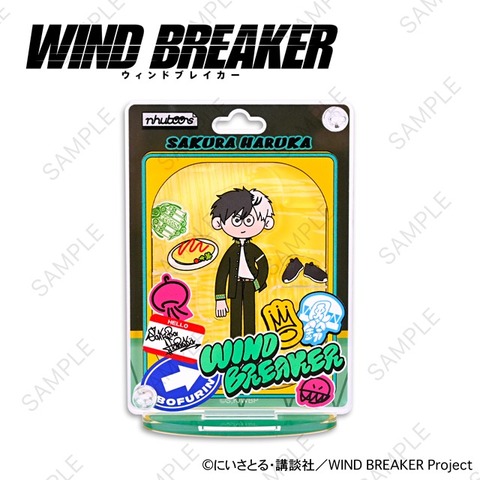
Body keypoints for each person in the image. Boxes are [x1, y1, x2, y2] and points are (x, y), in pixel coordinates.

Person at [211, 187, 274, 338]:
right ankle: (235, 344)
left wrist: (257, 284)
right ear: (219, 222)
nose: (243, 227)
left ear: (266, 222)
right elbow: (222, 275)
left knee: (250, 316)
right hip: (234, 286)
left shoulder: (254, 250)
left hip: (250, 285)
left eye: (249, 220)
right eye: (236, 220)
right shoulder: (231, 252)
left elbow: (264, 266)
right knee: (235, 318)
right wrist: (220, 299)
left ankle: (250, 343)